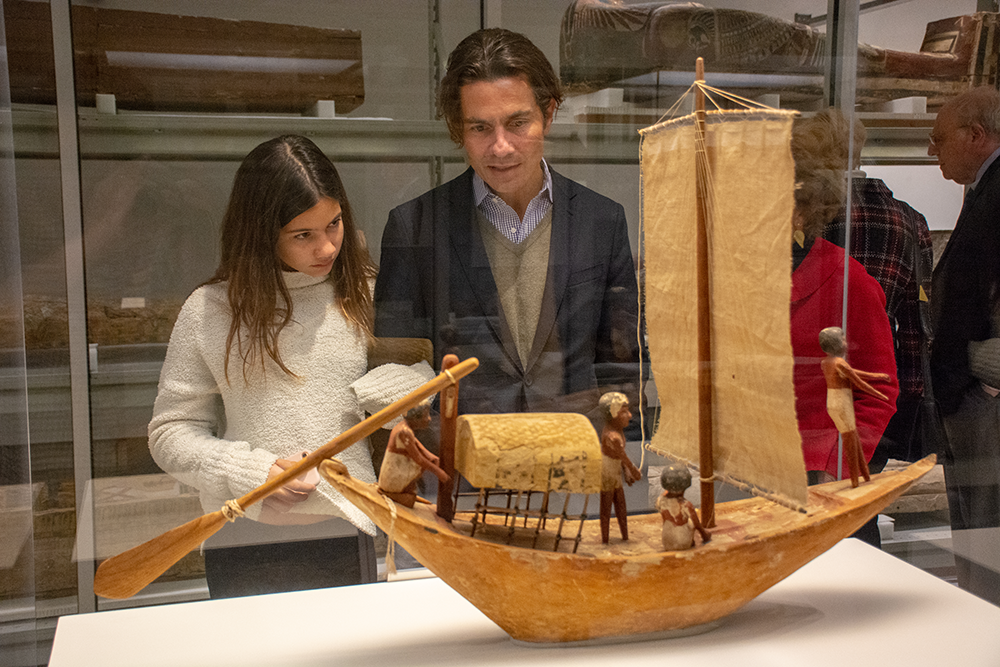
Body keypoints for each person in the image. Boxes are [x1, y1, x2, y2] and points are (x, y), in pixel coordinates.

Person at [148, 135, 429, 598]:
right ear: (261, 232)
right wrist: (250, 473)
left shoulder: (367, 291)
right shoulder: (209, 309)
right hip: (242, 534)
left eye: (335, 224)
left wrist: (411, 387)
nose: (327, 247)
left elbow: (426, 376)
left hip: (348, 528)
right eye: (304, 235)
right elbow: (170, 432)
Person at [373, 28, 641, 427]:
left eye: (517, 123)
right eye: (480, 128)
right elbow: (393, 370)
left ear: (548, 114)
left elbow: (622, 365)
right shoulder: (413, 227)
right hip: (461, 468)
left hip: (572, 460)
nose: (501, 147)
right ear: (457, 128)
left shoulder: (602, 221)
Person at [789, 111, 899, 535]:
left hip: (825, 486)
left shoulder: (849, 282)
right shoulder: (743, 276)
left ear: (805, 209)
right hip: (752, 473)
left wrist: (835, 465)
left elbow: (880, 390)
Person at [823, 114, 934, 465]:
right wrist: (911, 400)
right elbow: (917, 324)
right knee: (857, 501)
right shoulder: (910, 220)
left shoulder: (807, 216)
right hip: (877, 389)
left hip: (807, 383)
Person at [927, 85, 1000, 605]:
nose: (934, 151)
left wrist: (983, 362)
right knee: (979, 525)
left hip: (987, 391)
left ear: (976, 136)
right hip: (973, 386)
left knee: (988, 527)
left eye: (939, 139)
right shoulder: (986, 188)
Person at [819, 327, 891, 488]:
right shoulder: (838, 362)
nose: (846, 343)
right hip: (842, 405)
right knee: (852, 444)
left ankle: (861, 477)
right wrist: (879, 384)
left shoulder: (825, 362)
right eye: (843, 340)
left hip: (833, 404)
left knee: (851, 443)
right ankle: (858, 479)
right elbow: (859, 380)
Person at [378, 399, 450, 508]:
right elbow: (419, 458)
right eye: (425, 416)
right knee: (410, 500)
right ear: (415, 417)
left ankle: (400, 495)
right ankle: (389, 494)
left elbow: (422, 450)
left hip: (398, 473)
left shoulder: (407, 430)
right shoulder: (403, 432)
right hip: (393, 477)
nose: (429, 419)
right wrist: (440, 473)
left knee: (413, 490)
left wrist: (436, 460)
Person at [598, 392, 642, 543]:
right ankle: (605, 540)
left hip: (614, 473)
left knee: (621, 507)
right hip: (608, 475)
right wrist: (633, 470)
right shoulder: (612, 436)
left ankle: (624, 537)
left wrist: (626, 471)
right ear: (612, 413)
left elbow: (621, 458)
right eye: (624, 411)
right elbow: (623, 457)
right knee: (607, 508)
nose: (629, 415)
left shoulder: (618, 431)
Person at [656, 464, 711, 551]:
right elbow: (697, 525)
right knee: (690, 522)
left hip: (667, 543)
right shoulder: (686, 505)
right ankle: (690, 542)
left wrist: (669, 489)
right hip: (682, 543)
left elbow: (664, 495)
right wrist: (705, 536)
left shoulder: (661, 501)